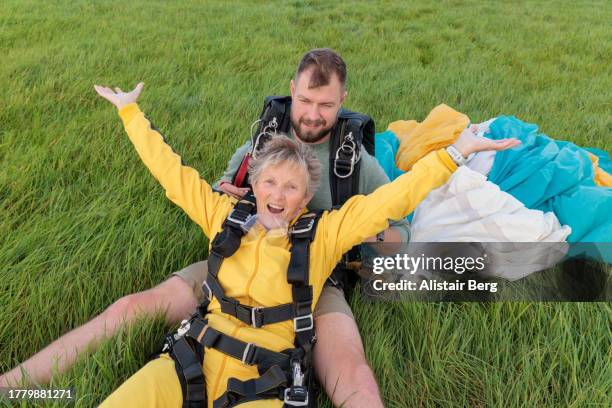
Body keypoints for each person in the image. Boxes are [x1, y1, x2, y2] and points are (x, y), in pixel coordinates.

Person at [1, 49, 407, 407]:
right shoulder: (264, 139)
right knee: (130, 309)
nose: (313, 114)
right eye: (304, 100)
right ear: (291, 90)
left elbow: (401, 235)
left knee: (353, 376)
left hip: (318, 277)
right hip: (239, 261)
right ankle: (13, 387)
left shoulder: (356, 161)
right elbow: (215, 192)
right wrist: (228, 196)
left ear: (343, 101)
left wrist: (360, 230)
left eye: (326, 104)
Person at [91, 79, 517, 407]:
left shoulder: (325, 234)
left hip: (262, 380)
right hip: (189, 361)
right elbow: (171, 172)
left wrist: (455, 153)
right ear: (254, 183)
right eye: (270, 182)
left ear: (305, 196)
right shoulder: (222, 216)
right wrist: (131, 113)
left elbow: (396, 197)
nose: (278, 195)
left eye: (291, 187)